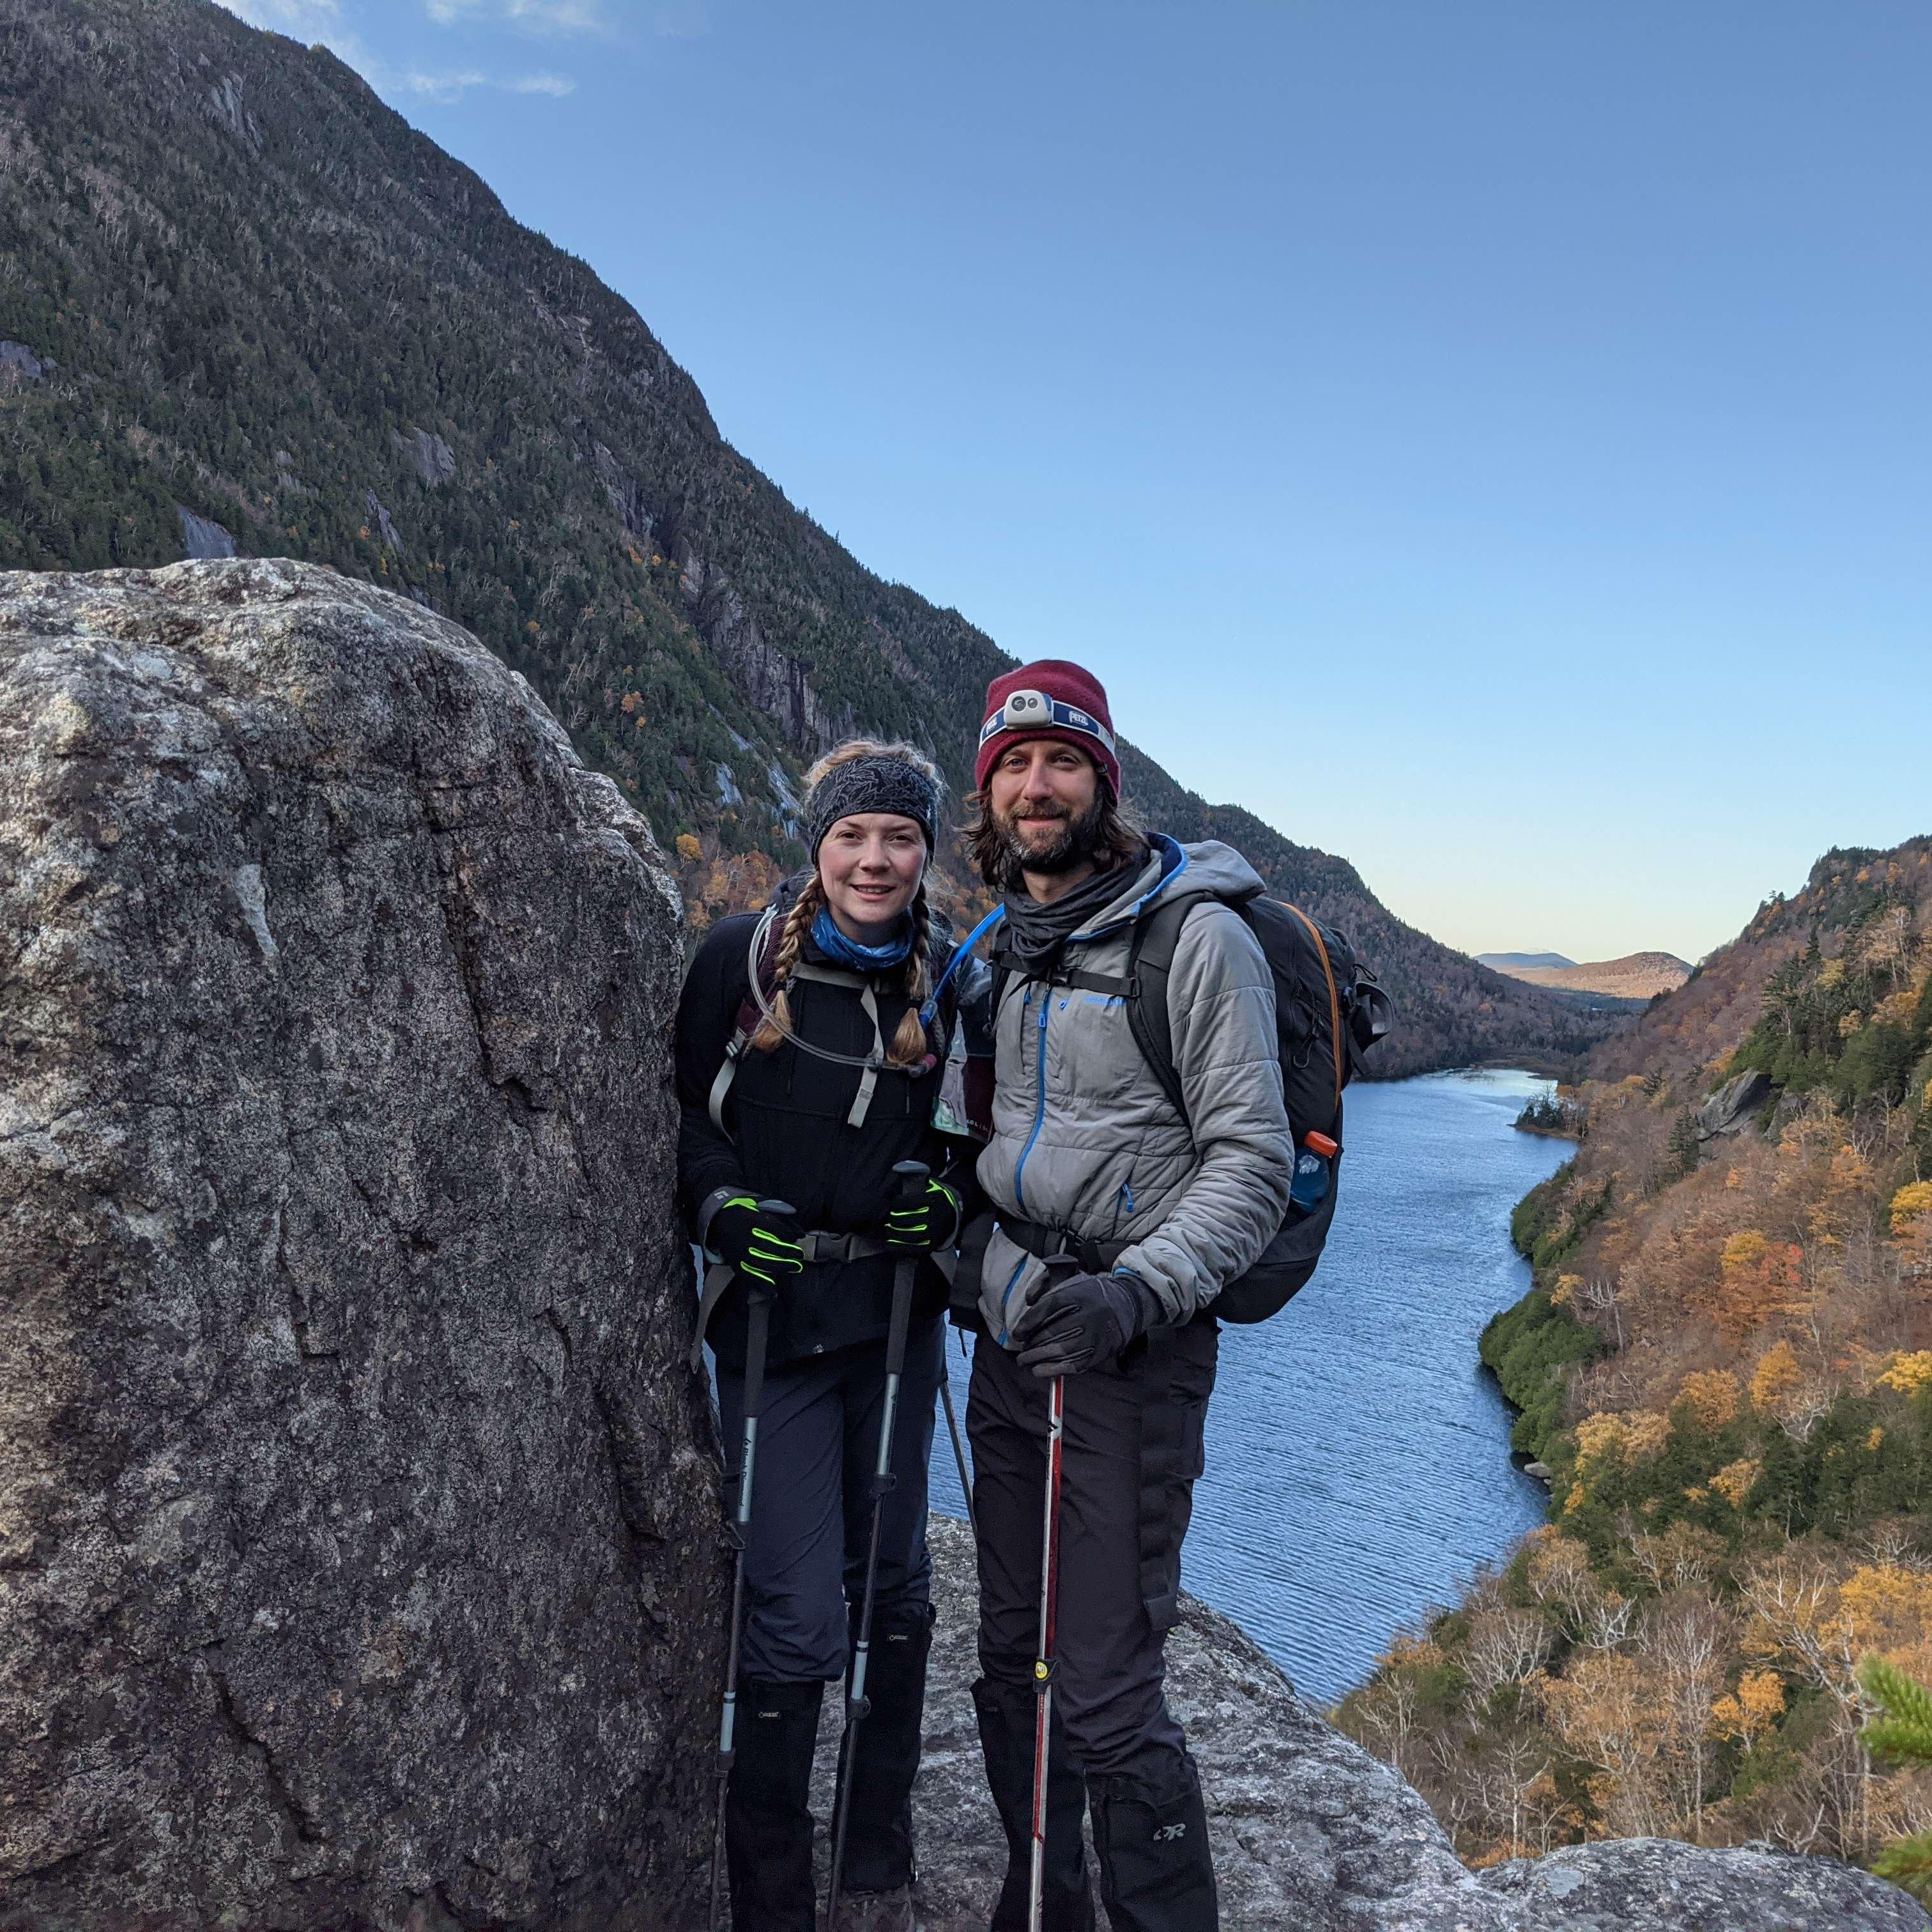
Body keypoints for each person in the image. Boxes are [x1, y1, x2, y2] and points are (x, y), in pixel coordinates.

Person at [958, 661, 1295, 1931]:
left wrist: (1137, 1295)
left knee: (1101, 1690)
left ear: (1105, 778)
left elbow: (1251, 1160)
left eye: (1062, 761)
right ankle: (1041, 1901)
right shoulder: (1003, 945)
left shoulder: (1191, 935)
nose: (1036, 785)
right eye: (1012, 765)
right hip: (1012, 1337)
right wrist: (976, 1263)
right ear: (991, 793)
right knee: (1008, 1660)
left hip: (1130, 1355)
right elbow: (975, 1149)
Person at [677, 740, 975, 1932]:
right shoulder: (737, 968)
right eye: (853, 835)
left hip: (897, 1324)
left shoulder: (952, 984)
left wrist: (947, 1200)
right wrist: (719, 1208)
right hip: (774, 1329)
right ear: (818, 846)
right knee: (798, 1611)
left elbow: (976, 1144)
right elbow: (685, 1123)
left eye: (899, 836)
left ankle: (875, 1852)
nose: (875, 858)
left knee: (896, 1590)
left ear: (925, 851)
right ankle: (773, 1900)